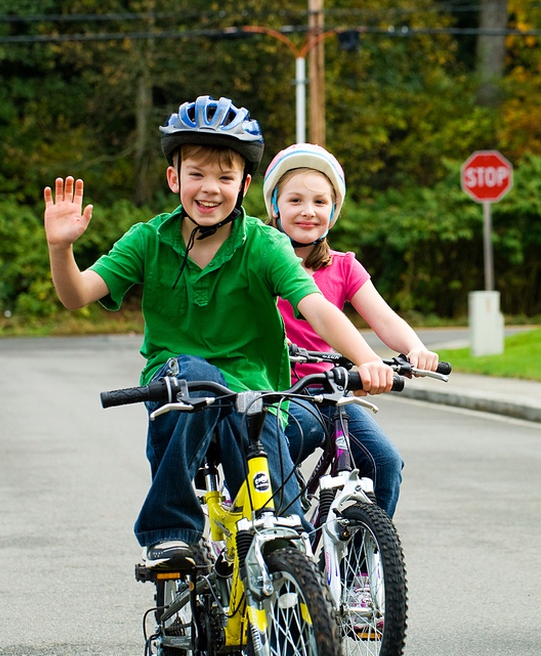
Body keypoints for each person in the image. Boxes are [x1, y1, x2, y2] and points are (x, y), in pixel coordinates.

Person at [41, 96, 394, 570]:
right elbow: (77, 294)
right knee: (195, 376)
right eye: (197, 174)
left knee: (287, 535)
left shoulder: (265, 244)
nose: (210, 189)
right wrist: (60, 249)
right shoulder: (148, 240)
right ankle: (171, 530)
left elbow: (316, 308)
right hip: (181, 388)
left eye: (225, 178)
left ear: (244, 185)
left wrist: (365, 359)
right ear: (174, 178)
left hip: (255, 398)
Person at [262, 143, 438, 518]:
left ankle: (364, 550)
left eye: (320, 202)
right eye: (295, 200)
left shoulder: (343, 267)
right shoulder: (259, 260)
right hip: (276, 392)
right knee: (275, 458)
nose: (308, 211)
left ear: (333, 212)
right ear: (275, 206)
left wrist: (416, 348)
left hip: (331, 389)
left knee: (384, 463)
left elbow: (385, 319)